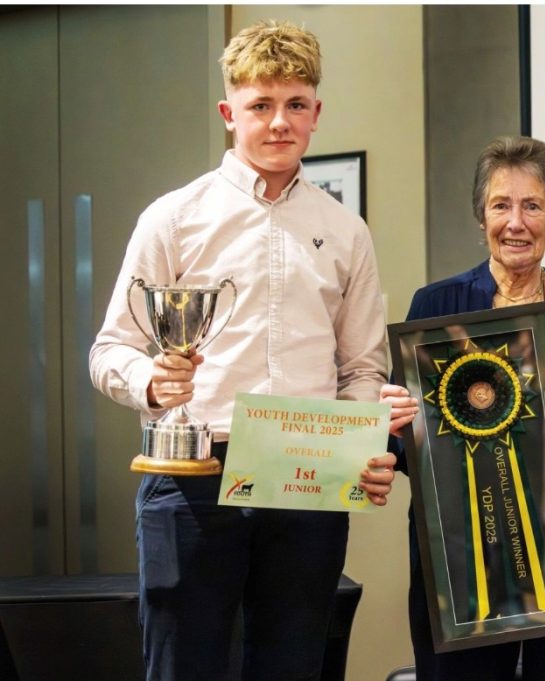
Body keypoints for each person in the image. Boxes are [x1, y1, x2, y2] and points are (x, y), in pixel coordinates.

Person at [89, 20, 396, 681]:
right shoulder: (173, 218)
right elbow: (111, 348)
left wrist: (362, 447)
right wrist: (152, 381)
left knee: (292, 666)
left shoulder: (346, 232)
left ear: (317, 113)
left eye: (295, 104)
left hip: (308, 474)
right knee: (184, 667)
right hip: (194, 473)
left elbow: (363, 367)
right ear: (230, 114)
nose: (279, 122)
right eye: (261, 105)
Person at [382, 135, 545, 681]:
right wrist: (396, 428)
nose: (516, 223)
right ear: (481, 217)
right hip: (460, 573)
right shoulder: (435, 308)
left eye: (533, 206)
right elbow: (400, 446)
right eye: (501, 205)